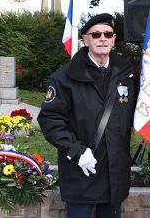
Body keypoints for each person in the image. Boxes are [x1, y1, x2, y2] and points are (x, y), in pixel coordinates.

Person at [37, 13, 137, 218]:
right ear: (85, 39)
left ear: (114, 39)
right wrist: (76, 151)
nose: (103, 38)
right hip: (82, 172)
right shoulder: (64, 77)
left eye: (108, 34)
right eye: (96, 34)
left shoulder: (126, 75)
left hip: (114, 176)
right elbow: (50, 119)